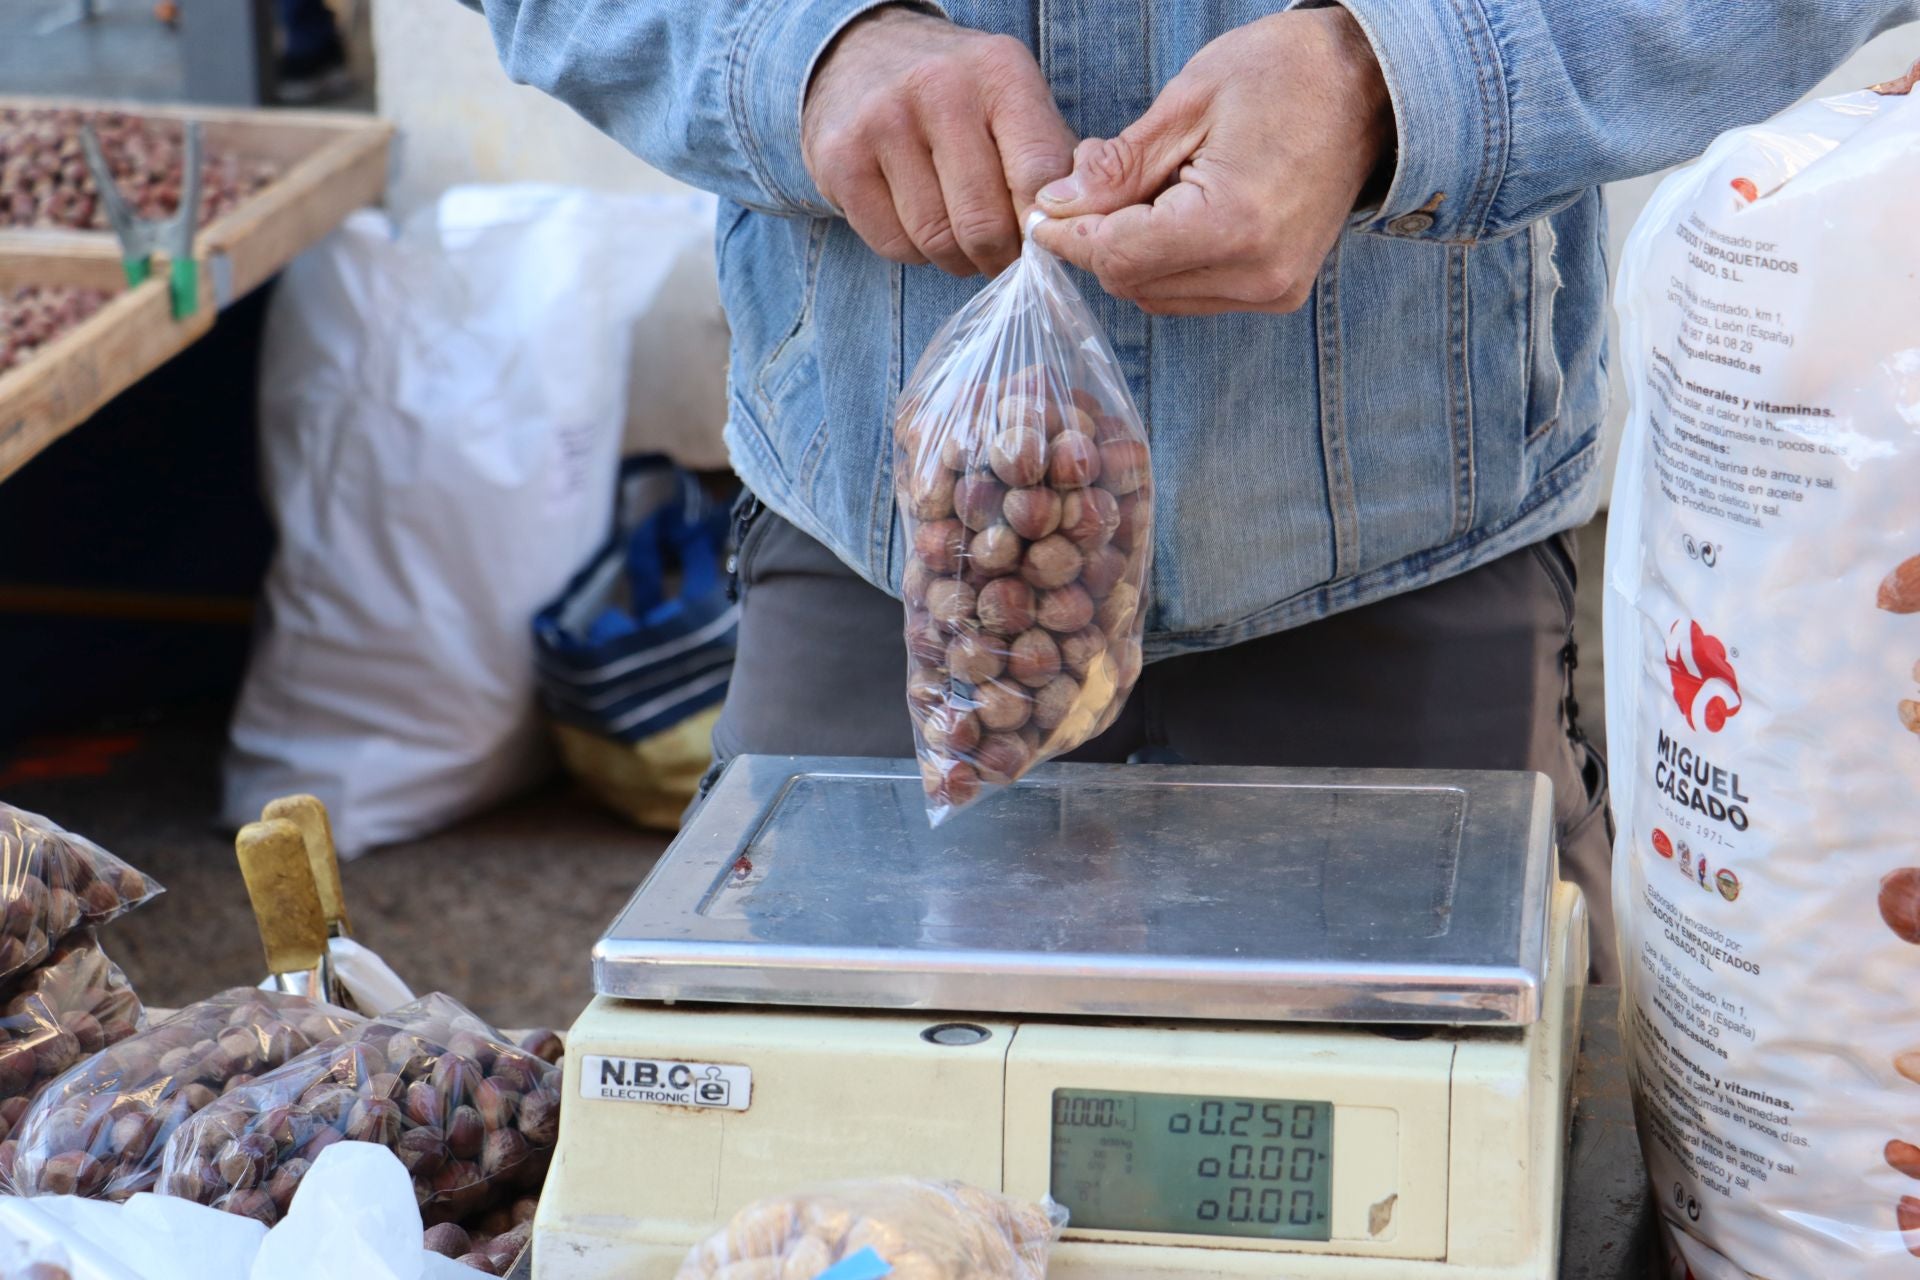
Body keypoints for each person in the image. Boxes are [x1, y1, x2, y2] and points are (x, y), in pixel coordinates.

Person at [459, 0, 1920, 981]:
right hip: (893, 589)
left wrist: (1407, 74)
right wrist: (794, 50)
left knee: (1471, 1190)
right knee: (827, 1205)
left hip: (1411, 581)